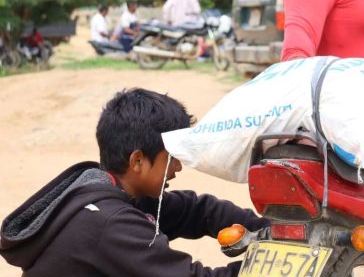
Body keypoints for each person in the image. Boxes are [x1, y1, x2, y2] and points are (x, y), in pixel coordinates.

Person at [0, 88, 268, 276]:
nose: (178, 167)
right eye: (172, 158)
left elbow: (198, 210)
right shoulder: (108, 222)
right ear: (137, 161)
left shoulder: (110, 188)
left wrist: (270, 231)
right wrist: (273, 268)